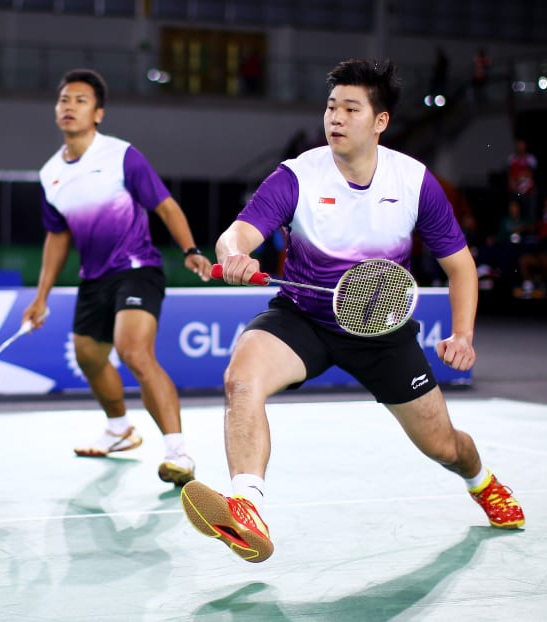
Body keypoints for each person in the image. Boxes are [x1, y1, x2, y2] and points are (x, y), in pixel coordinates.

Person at [180, 58, 525, 563]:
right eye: (330, 107)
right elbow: (239, 232)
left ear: (380, 121)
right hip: (305, 315)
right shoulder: (297, 175)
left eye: (350, 108)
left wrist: (464, 334)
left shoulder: (413, 182)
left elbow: (461, 267)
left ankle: (482, 481)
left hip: (380, 327)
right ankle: (247, 506)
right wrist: (233, 253)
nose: (335, 118)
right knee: (241, 378)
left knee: (444, 446)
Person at [23, 69, 212, 487]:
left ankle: (179, 453)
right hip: (93, 278)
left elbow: (164, 205)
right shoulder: (49, 173)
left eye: (80, 100)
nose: (69, 106)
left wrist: (191, 249)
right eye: (64, 100)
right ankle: (118, 429)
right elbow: (57, 237)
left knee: (133, 352)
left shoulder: (122, 155)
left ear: (99, 113)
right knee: (90, 357)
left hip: (136, 268)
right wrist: (41, 297)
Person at [507, 138, 539, 223]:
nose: (520, 147)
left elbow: (532, 176)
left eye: (522, 145)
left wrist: (525, 187)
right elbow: (510, 176)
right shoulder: (512, 158)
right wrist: (514, 187)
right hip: (515, 189)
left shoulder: (531, 159)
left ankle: (529, 225)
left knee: (529, 208)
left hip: (528, 190)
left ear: (525, 146)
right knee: (514, 205)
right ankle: (513, 223)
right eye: (519, 145)